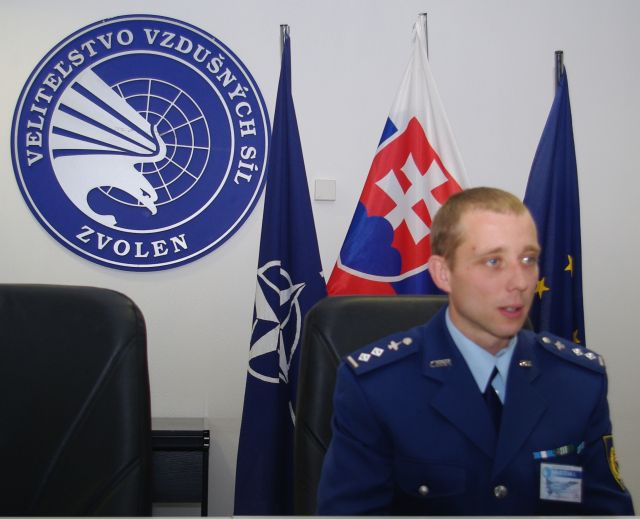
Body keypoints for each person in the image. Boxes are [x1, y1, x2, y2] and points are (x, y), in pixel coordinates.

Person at [317, 187, 634, 515]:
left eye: (528, 259)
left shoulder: (578, 382)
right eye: (493, 261)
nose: (520, 282)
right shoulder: (377, 388)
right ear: (443, 273)